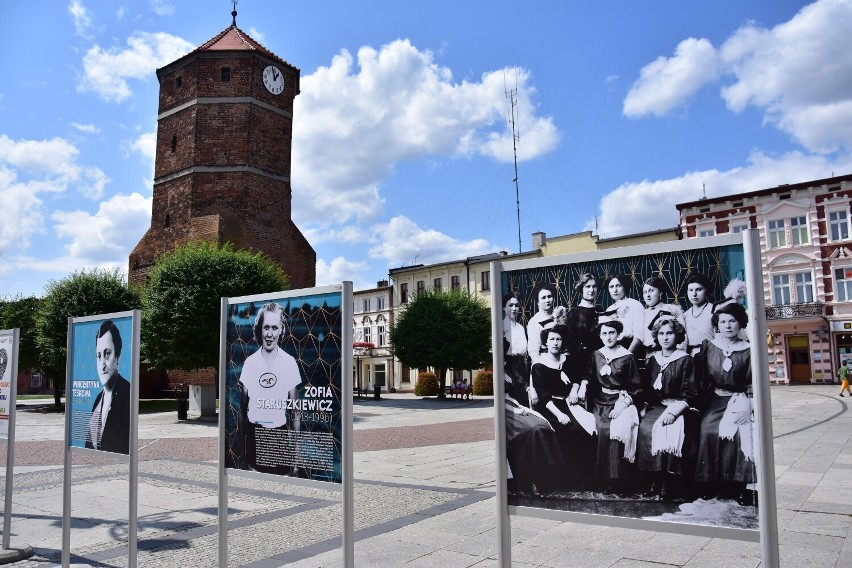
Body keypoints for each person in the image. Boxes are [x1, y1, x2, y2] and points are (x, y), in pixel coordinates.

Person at [694, 302, 755, 505]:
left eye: (732, 321)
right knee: (708, 430)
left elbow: (751, 383)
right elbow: (701, 377)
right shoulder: (710, 346)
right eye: (723, 322)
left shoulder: (748, 350)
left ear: (740, 323)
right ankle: (710, 483)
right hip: (714, 399)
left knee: (740, 433)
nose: (727, 326)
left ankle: (737, 485)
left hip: (739, 399)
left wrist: (749, 407)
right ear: (717, 324)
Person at [636, 318, 700, 500]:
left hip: (680, 406)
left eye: (669, 333)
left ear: (677, 336)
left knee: (670, 430)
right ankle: (654, 479)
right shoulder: (653, 360)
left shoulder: (685, 360)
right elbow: (648, 390)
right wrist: (645, 407)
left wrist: (674, 412)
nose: (665, 337)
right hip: (658, 405)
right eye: (661, 333)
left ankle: (669, 482)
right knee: (646, 429)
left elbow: (690, 392)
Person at [238, 302, 303, 472]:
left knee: (280, 486)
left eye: (274, 328)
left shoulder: (289, 363)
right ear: (260, 329)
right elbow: (242, 411)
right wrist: (242, 452)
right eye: (266, 327)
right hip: (254, 435)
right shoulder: (250, 363)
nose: (269, 334)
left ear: (281, 330)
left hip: (279, 436)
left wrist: (295, 458)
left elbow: (295, 414)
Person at [531, 325, 597, 489]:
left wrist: (575, 389)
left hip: (568, 402)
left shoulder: (568, 361)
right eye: (551, 339)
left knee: (587, 427)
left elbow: (577, 378)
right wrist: (559, 414)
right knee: (567, 428)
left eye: (558, 339)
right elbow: (542, 395)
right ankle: (563, 480)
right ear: (546, 342)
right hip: (549, 406)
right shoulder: (539, 365)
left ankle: (583, 478)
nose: (555, 343)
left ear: (563, 342)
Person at [585, 320, 642, 492]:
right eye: (604, 333)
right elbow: (587, 376)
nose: (608, 337)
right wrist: (580, 385)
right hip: (601, 400)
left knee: (616, 429)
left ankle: (618, 480)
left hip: (621, 399)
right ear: (600, 336)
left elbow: (636, 388)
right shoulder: (596, 355)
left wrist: (622, 405)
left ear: (618, 335)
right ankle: (601, 479)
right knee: (601, 428)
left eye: (612, 333)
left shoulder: (627, 357)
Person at [86, 320, 130, 455]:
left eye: (107, 354)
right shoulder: (98, 398)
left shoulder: (127, 393)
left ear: (117, 355)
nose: (102, 364)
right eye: (98, 356)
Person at [564, 273, 602, 374]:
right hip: (580, 360)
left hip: (600, 359)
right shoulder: (574, 312)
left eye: (594, 286)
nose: (591, 290)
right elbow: (570, 342)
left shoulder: (600, 311)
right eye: (588, 286)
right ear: (581, 288)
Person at [599, 274, 644, 357]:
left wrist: (626, 357)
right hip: (612, 350)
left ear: (625, 287)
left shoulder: (636, 305)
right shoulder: (609, 309)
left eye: (618, 286)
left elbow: (639, 336)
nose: (615, 290)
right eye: (611, 287)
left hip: (631, 349)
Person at [642, 277, 685, 355]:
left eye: (651, 291)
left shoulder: (672, 309)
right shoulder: (642, 313)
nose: (648, 295)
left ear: (660, 292)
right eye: (645, 292)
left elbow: (683, 335)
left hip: (671, 354)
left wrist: (680, 356)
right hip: (648, 355)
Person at [503, 292, 531, 406]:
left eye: (516, 305)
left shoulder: (520, 327)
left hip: (522, 368)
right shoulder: (501, 326)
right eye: (510, 305)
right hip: (509, 368)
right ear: (504, 307)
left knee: (525, 401)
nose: (514, 308)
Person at [526, 283, 565, 365]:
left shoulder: (559, 317)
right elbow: (533, 351)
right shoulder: (534, 321)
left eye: (549, 296)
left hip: (560, 361)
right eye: (543, 298)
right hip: (543, 363)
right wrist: (542, 368)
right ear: (537, 302)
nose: (547, 300)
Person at [682, 274, 714, 355]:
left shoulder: (714, 310)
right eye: (691, 290)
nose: (694, 294)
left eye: (698, 289)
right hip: (690, 357)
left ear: (706, 290)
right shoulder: (685, 315)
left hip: (711, 354)